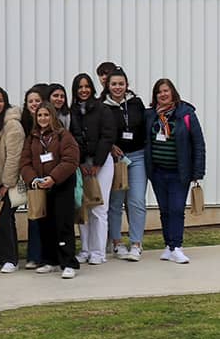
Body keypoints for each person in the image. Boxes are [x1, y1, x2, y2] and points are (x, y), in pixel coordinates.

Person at [146, 78, 205, 264]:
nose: (163, 94)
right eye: (159, 92)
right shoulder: (151, 115)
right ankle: (168, 246)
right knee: (164, 210)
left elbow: (198, 144)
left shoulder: (186, 114)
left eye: (166, 91)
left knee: (177, 209)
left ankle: (177, 246)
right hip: (157, 172)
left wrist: (198, 172)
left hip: (179, 173)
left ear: (173, 93)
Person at [20, 104, 80, 278]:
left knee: (63, 224)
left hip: (61, 185)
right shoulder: (32, 138)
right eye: (40, 115)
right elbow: (25, 162)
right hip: (41, 187)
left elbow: (70, 160)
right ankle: (50, 260)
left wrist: (53, 178)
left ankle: (68, 262)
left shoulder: (63, 135)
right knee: (45, 225)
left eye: (46, 115)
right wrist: (33, 179)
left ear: (52, 116)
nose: (43, 118)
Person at [70, 73, 116, 265]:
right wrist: (80, 163)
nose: (83, 90)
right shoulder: (71, 111)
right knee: (83, 208)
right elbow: (72, 138)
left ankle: (99, 252)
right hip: (81, 165)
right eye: (80, 87)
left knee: (99, 207)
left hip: (102, 164)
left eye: (87, 86)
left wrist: (97, 163)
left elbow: (108, 136)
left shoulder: (102, 109)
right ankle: (86, 249)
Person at [103, 68, 148, 261]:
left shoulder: (136, 103)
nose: (117, 87)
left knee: (136, 200)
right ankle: (117, 243)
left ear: (126, 85)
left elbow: (145, 127)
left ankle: (136, 244)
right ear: (108, 85)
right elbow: (100, 131)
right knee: (115, 202)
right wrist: (110, 145)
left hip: (137, 157)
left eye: (121, 84)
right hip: (115, 160)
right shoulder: (102, 106)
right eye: (114, 84)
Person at [0, 88, 24, 274]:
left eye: (0, 101)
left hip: (9, 182)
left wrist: (6, 184)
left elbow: (14, 157)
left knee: (5, 218)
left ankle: (11, 259)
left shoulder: (13, 125)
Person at [20, 84, 51, 270]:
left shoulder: (51, 123)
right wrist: (31, 177)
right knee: (34, 215)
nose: (33, 104)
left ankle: (48, 257)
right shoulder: (23, 123)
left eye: (37, 101)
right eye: (30, 101)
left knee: (49, 218)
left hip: (50, 177)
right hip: (32, 177)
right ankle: (34, 256)